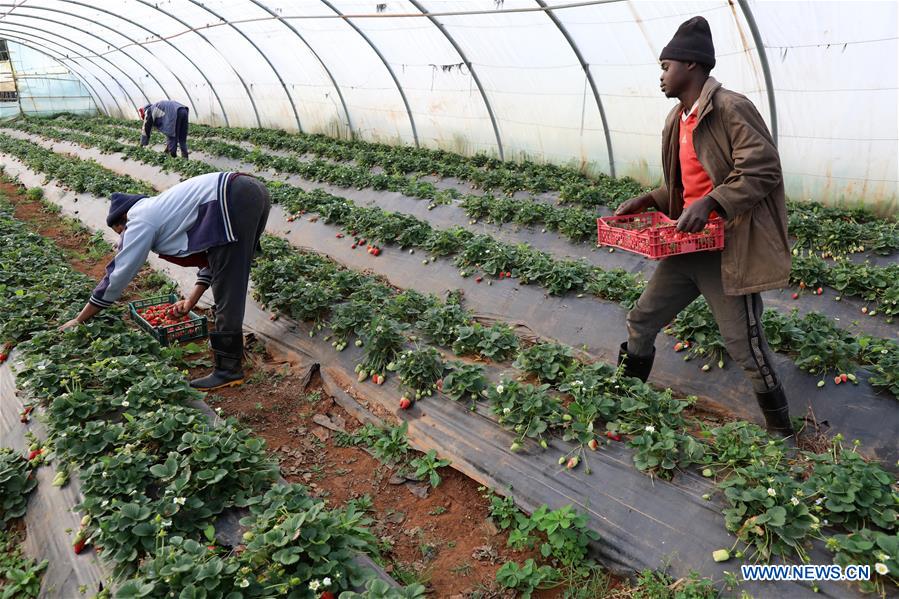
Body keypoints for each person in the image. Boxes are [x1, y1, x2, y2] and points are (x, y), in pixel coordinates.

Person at [614, 16, 795, 441]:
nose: (661, 76)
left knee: (744, 346)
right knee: (642, 319)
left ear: (691, 66)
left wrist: (714, 203)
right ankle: (622, 394)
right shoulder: (677, 119)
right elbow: (686, 184)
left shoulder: (731, 108)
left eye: (666, 66)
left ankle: (783, 432)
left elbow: (762, 168)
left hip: (726, 251)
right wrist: (651, 199)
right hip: (686, 248)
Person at [59, 171, 271, 391]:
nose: (122, 238)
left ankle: (228, 370)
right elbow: (212, 260)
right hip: (251, 190)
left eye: (120, 232)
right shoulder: (162, 211)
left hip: (233, 195)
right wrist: (190, 302)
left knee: (229, 283)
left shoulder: (139, 220)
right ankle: (229, 358)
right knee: (227, 271)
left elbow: (119, 273)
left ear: (123, 219)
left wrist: (80, 319)